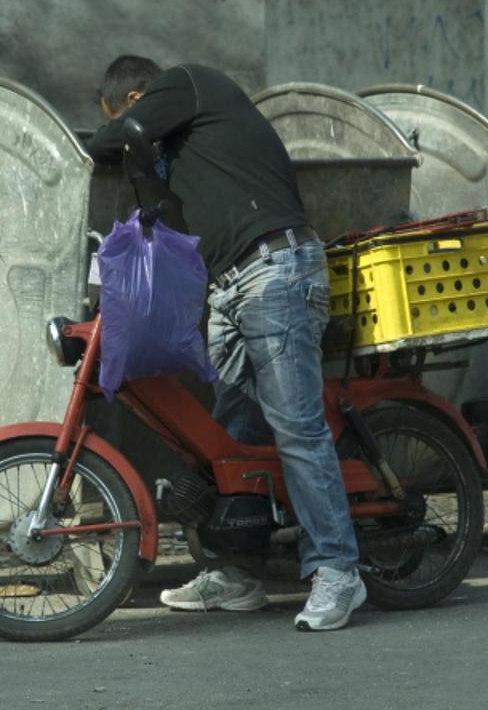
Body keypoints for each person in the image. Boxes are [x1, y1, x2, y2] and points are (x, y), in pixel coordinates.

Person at [84, 55, 365, 632]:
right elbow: (110, 150)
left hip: (277, 267)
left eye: (125, 117)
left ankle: (338, 570)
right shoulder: (181, 143)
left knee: (296, 427)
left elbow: (122, 137)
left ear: (138, 100)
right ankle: (239, 571)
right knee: (230, 438)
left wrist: (137, 168)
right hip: (231, 284)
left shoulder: (189, 81)